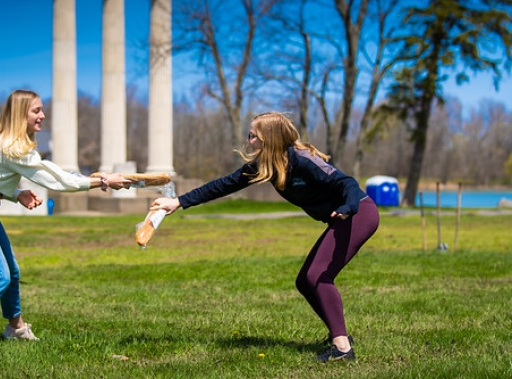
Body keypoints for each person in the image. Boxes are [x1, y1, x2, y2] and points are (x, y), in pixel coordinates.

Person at [151, 112, 379, 363]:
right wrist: (178, 202)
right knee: (305, 281)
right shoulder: (268, 165)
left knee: (318, 276)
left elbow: (346, 183)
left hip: (358, 214)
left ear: (268, 139)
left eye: (253, 136)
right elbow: (223, 185)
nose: (249, 141)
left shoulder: (303, 159)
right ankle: (340, 335)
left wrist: (348, 208)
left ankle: (342, 348)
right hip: (343, 217)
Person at [0, 89, 132, 354]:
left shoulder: (7, 142)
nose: (42, 116)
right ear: (19, 114)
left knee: (11, 272)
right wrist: (103, 180)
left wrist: (16, 193)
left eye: (41, 110)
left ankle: (16, 327)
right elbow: (59, 180)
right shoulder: (13, 148)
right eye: (36, 111)